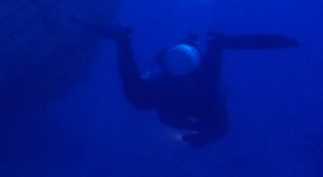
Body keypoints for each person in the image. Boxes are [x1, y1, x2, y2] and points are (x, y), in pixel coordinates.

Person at [73, 18, 299, 147]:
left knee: (137, 98)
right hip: (183, 88)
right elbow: (221, 129)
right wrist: (278, 41)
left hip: (171, 85)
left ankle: (123, 40)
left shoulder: (203, 80)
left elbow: (228, 44)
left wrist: (279, 42)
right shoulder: (210, 90)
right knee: (138, 99)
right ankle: (123, 40)